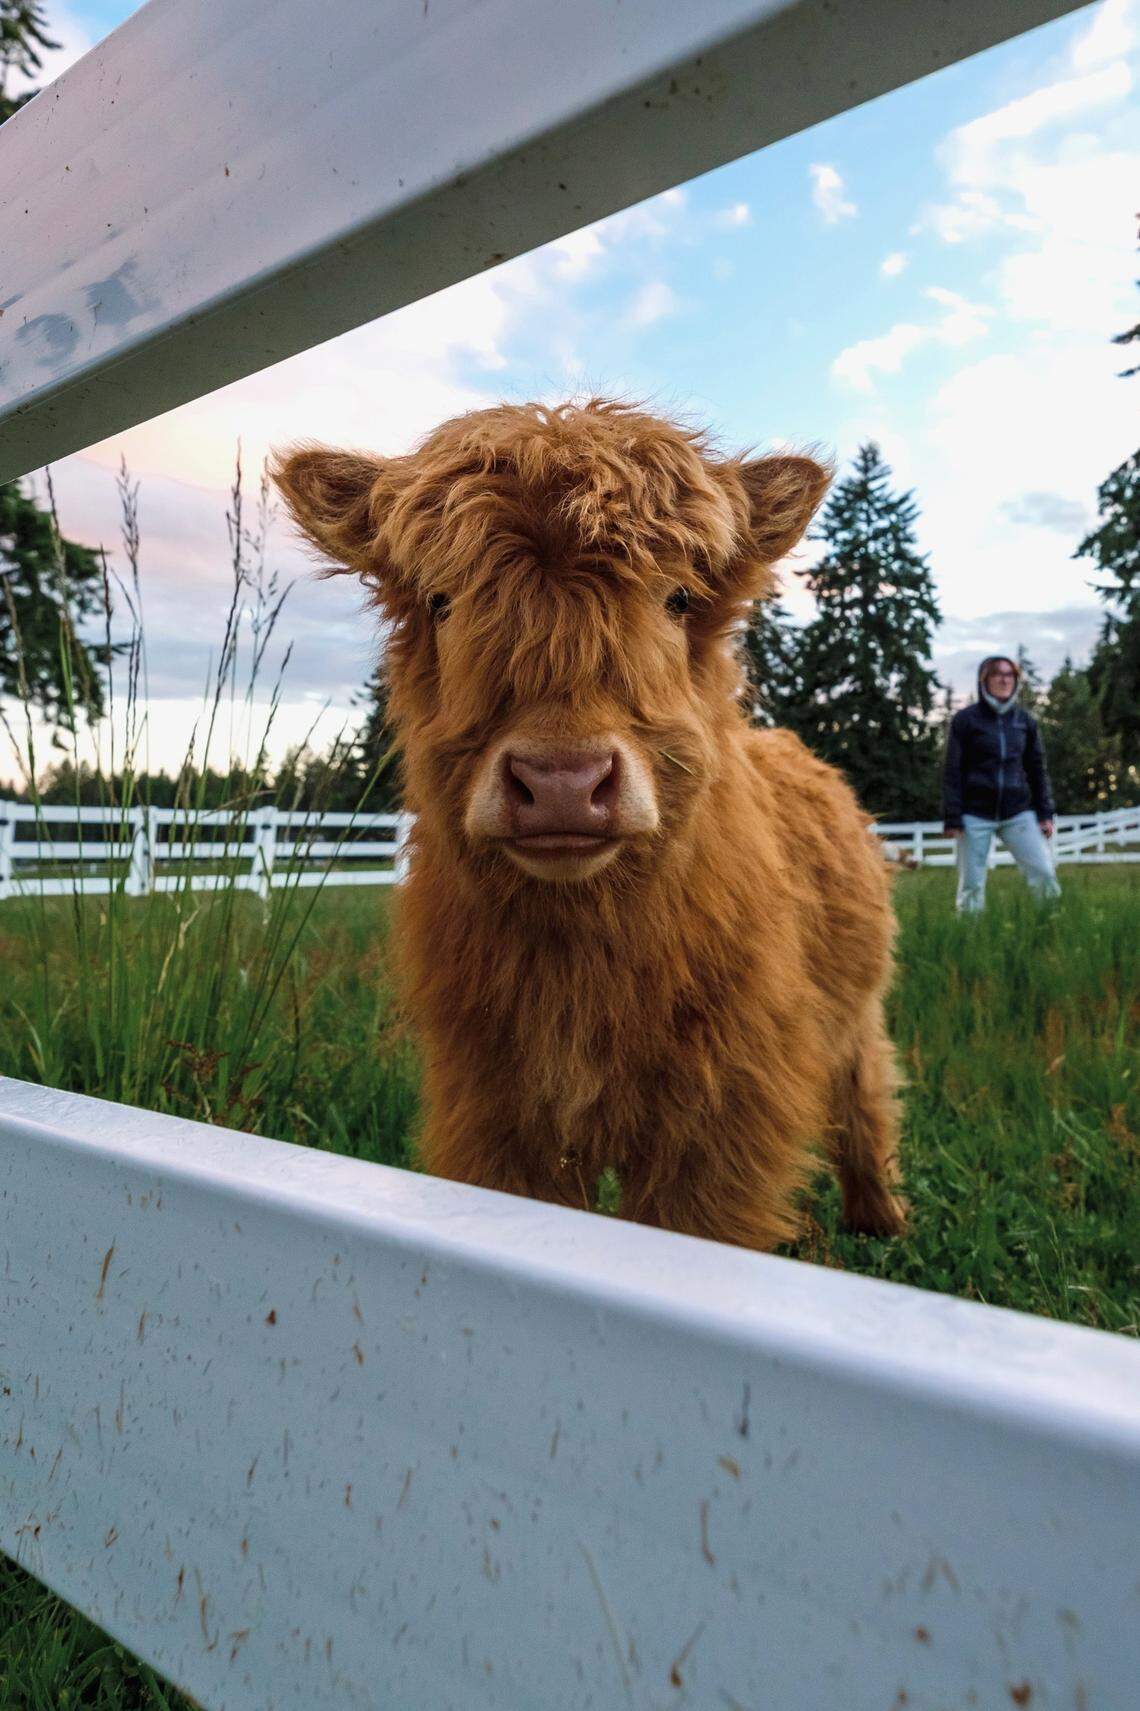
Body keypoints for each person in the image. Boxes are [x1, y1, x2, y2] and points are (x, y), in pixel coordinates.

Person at [942, 655, 1061, 913]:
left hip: (1018, 812)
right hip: (974, 815)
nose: (1004, 679)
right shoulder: (965, 721)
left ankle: (1051, 925)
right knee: (971, 884)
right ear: (984, 681)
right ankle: (970, 936)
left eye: (1010, 674)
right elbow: (952, 771)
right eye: (997, 674)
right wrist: (953, 816)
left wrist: (1045, 813)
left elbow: (1037, 770)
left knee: (1044, 872)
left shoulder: (1025, 722)